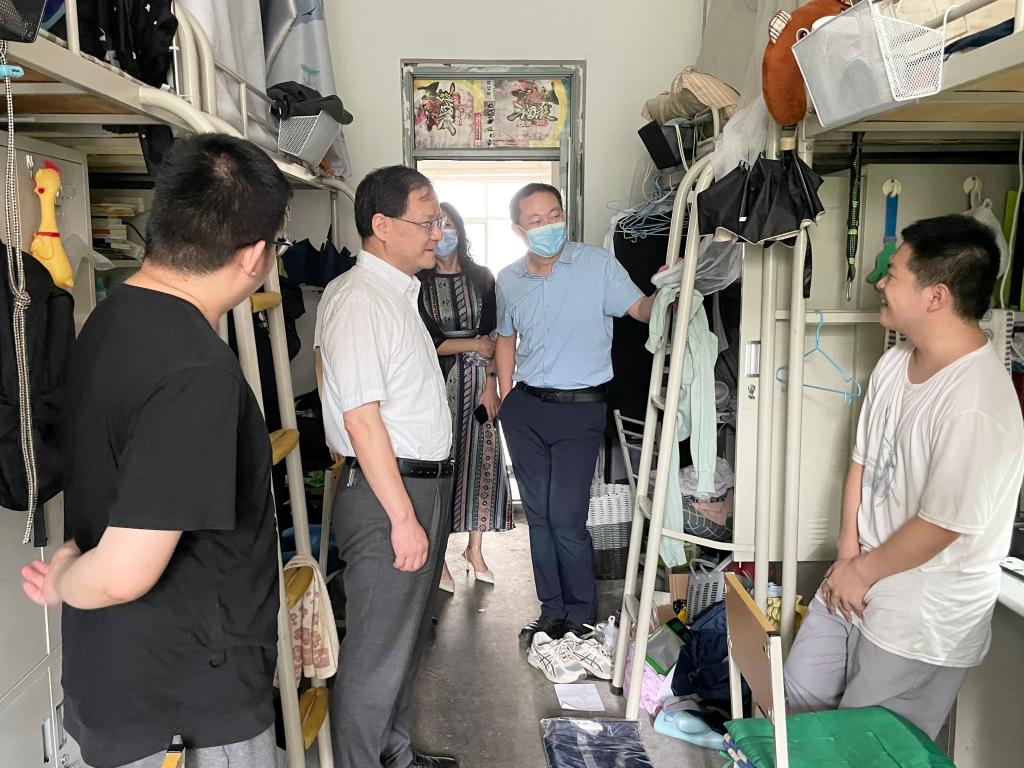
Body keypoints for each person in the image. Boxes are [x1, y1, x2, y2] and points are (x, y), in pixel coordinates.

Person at [20, 133, 291, 768]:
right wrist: (66, 577)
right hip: (186, 709)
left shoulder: (112, 318)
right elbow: (123, 574)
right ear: (254, 255)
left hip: (122, 679)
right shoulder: (196, 372)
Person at [784, 214, 1024, 739]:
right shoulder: (896, 363)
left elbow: (942, 525)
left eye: (892, 274)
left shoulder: (976, 401)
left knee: (864, 746)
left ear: (936, 296)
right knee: (797, 699)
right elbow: (861, 462)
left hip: (921, 613)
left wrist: (862, 572)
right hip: (856, 573)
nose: (879, 283)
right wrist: (847, 553)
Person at [317, 165, 457, 768]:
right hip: (389, 494)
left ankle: (394, 754)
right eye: (426, 222)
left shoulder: (396, 294)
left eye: (438, 221)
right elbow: (362, 420)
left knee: (403, 641)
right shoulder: (359, 300)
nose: (437, 234)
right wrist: (402, 518)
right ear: (382, 225)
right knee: (376, 652)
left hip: (416, 487)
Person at [495, 183, 657, 646]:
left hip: (580, 410)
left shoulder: (597, 265)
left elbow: (640, 309)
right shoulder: (508, 279)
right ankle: (551, 611)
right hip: (526, 410)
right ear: (519, 229)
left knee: (566, 518)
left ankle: (581, 616)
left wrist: (669, 289)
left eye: (555, 214)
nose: (549, 225)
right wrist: (507, 398)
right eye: (536, 220)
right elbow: (505, 337)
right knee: (539, 518)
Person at [417, 201, 513, 592]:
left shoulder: (483, 277)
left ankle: (474, 549)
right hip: (435, 385)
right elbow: (426, 341)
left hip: (477, 386)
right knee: (440, 464)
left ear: (459, 228)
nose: (443, 232)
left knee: (481, 461)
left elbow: (495, 335)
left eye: (449, 223)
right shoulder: (418, 282)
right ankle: (438, 554)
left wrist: (492, 384)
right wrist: (472, 343)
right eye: (435, 224)